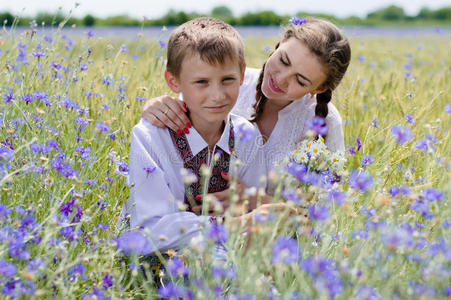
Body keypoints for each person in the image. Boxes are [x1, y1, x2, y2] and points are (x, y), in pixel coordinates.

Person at [125, 17, 295, 257]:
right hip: (161, 265)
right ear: (173, 81)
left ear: (242, 73)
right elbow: (149, 230)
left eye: (227, 80)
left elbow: (254, 220)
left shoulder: (246, 134)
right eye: (201, 82)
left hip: (231, 256)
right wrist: (232, 224)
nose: (217, 96)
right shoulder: (150, 136)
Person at [141, 17, 351, 190]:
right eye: (284, 61)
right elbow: (176, 132)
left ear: (318, 89)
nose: (281, 78)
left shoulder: (325, 121)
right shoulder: (229, 83)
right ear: (283, 40)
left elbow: (327, 204)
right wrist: (156, 106)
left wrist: (258, 204)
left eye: (300, 80)